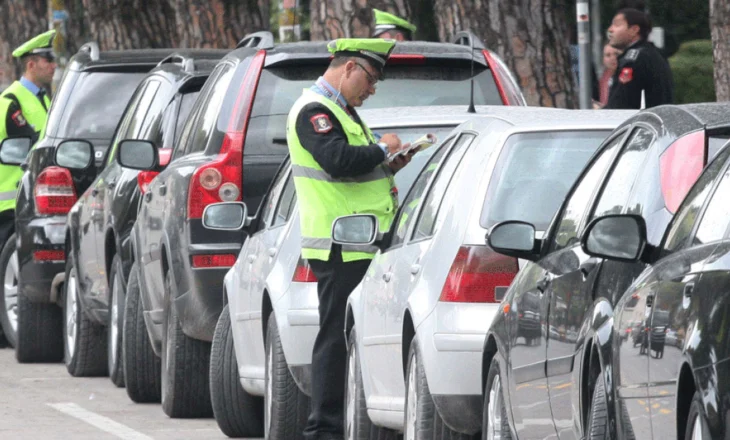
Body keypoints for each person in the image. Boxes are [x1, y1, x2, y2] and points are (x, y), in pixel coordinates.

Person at [286, 38, 413, 440]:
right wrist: (380, 148)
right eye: (370, 79)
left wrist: (390, 163)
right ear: (348, 68)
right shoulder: (314, 111)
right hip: (339, 244)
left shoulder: (342, 110)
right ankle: (323, 429)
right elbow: (337, 161)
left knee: (349, 336)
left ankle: (343, 423)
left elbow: (356, 173)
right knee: (335, 338)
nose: (371, 89)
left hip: (361, 242)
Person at [0, 29, 56, 267]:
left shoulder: (43, 98)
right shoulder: (12, 101)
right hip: (9, 201)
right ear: (31, 64)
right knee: (9, 266)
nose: (54, 65)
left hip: (33, 196)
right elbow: (33, 144)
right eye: (48, 60)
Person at [603, 8, 673, 109]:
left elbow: (622, 104)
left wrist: (599, 112)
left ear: (634, 30)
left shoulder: (634, 59)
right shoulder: (653, 52)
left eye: (617, 25)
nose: (610, 30)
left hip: (640, 122)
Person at [597, 43, 621, 107]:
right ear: (603, 60)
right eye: (608, 55)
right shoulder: (602, 79)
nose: (613, 58)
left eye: (616, 54)